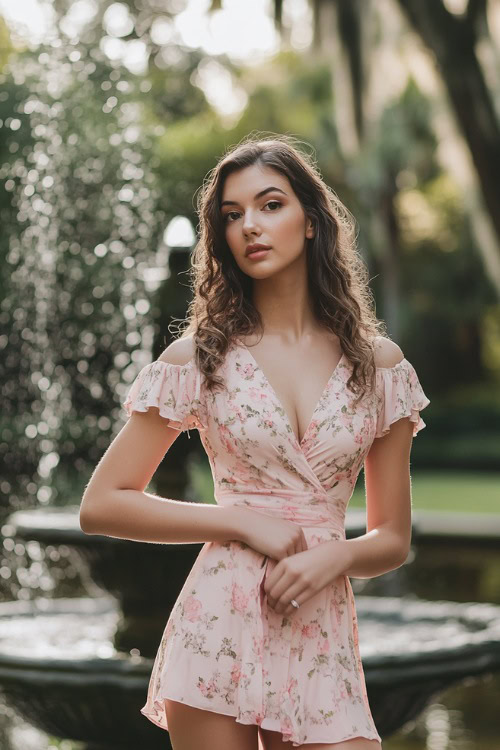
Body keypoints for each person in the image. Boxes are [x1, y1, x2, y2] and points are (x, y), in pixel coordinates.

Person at [79, 134, 430, 750]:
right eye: (232, 216)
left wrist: (340, 554)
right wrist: (239, 521)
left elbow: (393, 538)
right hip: (219, 623)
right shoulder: (200, 358)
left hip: (320, 626)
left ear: (313, 221)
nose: (251, 227)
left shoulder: (381, 368)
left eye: (271, 205)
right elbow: (102, 502)